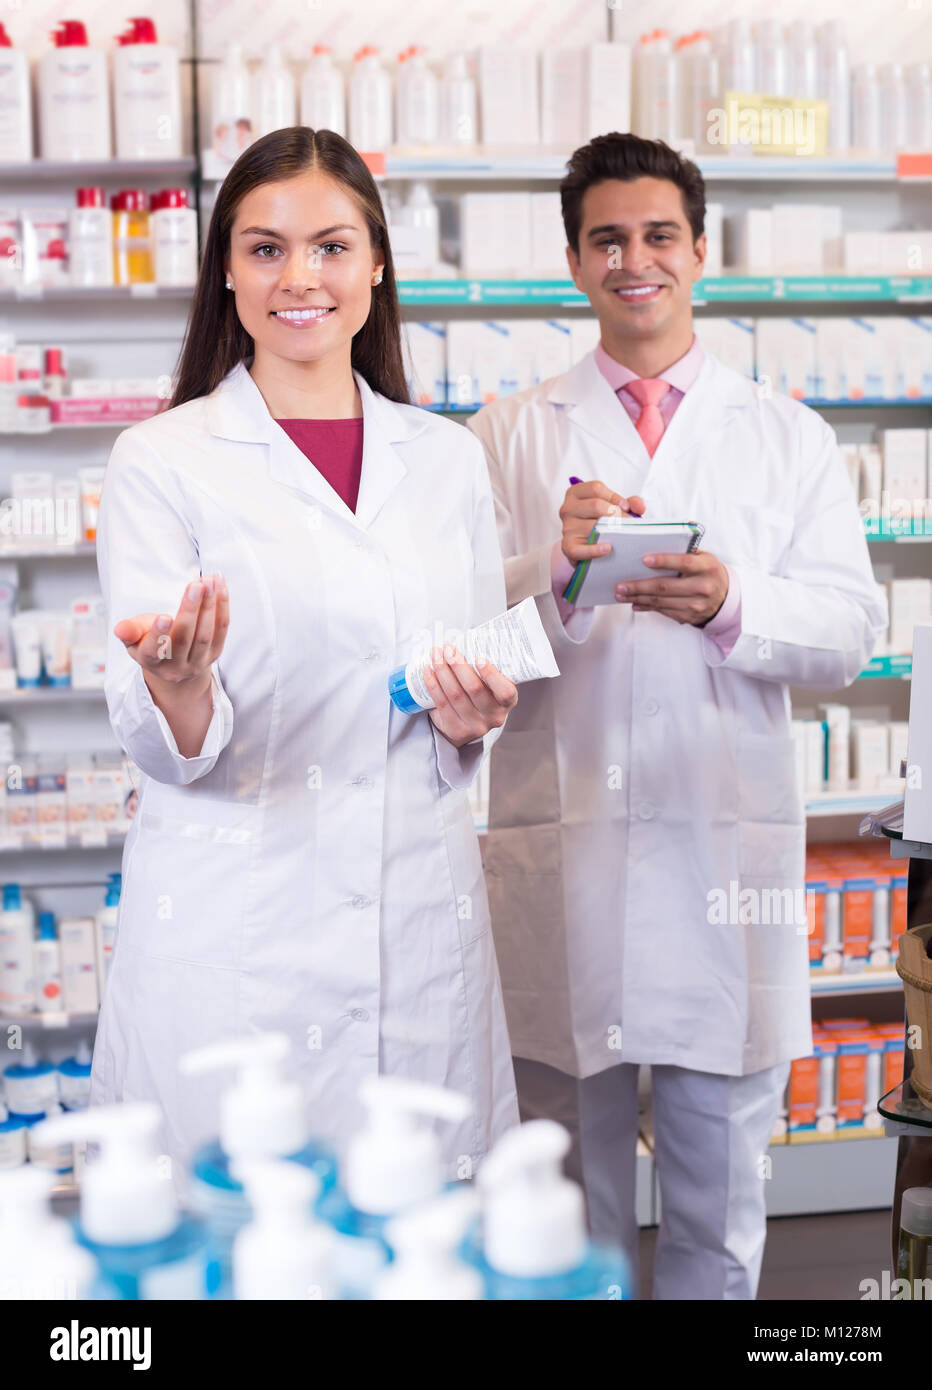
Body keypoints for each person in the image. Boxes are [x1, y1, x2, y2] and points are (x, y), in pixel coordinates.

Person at [466, 132, 888, 1299]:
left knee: (715, 1204)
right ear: (573, 259)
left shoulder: (785, 435)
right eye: (607, 238)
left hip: (721, 861)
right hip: (563, 851)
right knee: (566, 1204)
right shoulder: (508, 435)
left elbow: (849, 630)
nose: (633, 259)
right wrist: (551, 569)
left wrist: (731, 602)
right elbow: (459, 645)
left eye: (657, 235)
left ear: (698, 252)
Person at [91, 126, 519, 1182]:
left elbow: (456, 692)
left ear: (375, 261)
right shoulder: (163, 460)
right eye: (265, 249)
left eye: (330, 246)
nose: (301, 278)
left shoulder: (445, 460)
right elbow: (163, 734)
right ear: (227, 273)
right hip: (237, 933)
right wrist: (179, 685)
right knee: (240, 1241)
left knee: (413, 1243)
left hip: (413, 913)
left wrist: (471, 718)